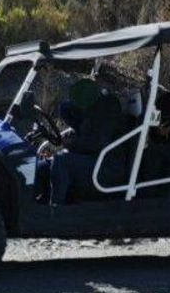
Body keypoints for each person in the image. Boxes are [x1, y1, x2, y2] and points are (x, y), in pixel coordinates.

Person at [42, 77, 130, 205]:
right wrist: (73, 136)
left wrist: (72, 144)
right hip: (97, 157)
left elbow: (96, 143)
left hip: (108, 166)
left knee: (61, 161)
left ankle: (56, 210)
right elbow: (74, 116)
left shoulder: (106, 112)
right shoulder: (96, 105)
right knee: (44, 165)